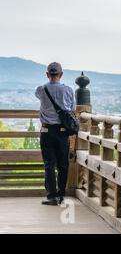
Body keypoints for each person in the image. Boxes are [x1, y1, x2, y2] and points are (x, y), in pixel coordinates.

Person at [35, 62, 75, 205]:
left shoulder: (41, 89)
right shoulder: (68, 90)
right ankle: (61, 195)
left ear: (47, 74)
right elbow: (72, 109)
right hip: (63, 132)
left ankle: (51, 196)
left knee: (49, 164)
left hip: (46, 132)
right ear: (61, 74)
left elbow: (38, 96)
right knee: (63, 164)